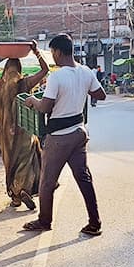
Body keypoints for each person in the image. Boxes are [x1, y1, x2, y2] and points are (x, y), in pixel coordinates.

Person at [22, 34, 105, 236]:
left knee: (47, 181)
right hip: (79, 132)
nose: (53, 56)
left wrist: (33, 100)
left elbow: (45, 106)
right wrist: (80, 91)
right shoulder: (85, 72)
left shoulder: (57, 76)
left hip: (59, 137)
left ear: (58, 52)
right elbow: (100, 94)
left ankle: (44, 221)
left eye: (52, 52)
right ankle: (95, 222)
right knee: (84, 178)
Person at [0, 40, 49, 208]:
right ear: (20, 69)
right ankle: (23, 188)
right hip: (24, 129)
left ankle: (16, 195)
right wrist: (36, 52)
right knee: (26, 160)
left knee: (10, 161)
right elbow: (45, 70)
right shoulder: (25, 83)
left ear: (5, 70)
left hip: (5, 131)